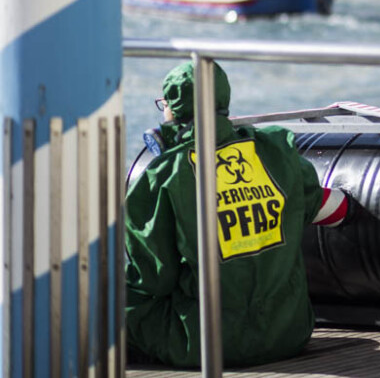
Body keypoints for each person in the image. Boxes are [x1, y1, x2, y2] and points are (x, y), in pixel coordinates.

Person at [125, 61, 356, 367]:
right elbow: (338, 210)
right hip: (288, 332)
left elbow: (152, 278)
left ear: (173, 112)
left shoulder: (166, 175)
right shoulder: (275, 150)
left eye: (164, 104)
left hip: (205, 344)